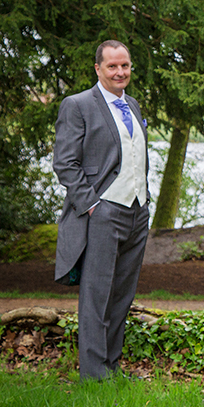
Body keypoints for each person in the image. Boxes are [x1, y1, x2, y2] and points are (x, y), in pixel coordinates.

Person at [53, 40, 150, 381]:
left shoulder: (133, 104)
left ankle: (112, 367)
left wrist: (145, 200)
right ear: (98, 69)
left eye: (125, 66)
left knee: (122, 295)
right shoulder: (77, 105)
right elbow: (65, 163)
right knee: (96, 296)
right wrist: (93, 205)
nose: (120, 72)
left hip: (137, 213)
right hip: (104, 212)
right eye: (112, 66)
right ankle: (94, 377)